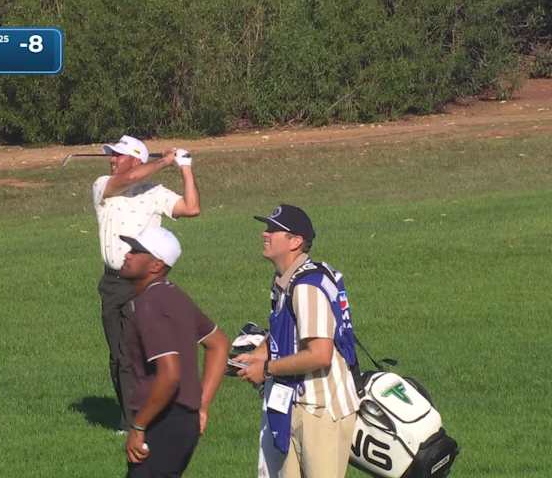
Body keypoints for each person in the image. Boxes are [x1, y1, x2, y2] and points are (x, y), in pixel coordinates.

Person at [236, 204, 360, 478]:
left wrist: (266, 369)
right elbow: (286, 330)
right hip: (293, 404)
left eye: (273, 230)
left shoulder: (306, 286)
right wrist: (257, 353)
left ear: (295, 241)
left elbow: (319, 354)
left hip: (321, 412)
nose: (264, 234)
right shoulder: (285, 278)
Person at [92, 135, 200, 432]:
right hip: (114, 283)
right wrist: (165, 160)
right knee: (120, 354)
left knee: (148, 350)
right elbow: (129, 178)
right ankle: (130, 421)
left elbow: (191, 208)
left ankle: (156, 413)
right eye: (112, 155)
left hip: (146, 283)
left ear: (136, 159)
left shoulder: (155, 192)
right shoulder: (103, 186)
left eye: (118, 156)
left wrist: (185, 167)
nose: (112, 160)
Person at [117, 226, 229, 477]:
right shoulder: (175, 295)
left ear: (156, 265)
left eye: (136, 251)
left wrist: (138, 425)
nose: (128, 255)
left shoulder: (150, 303)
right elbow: (219, 343)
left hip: (162, 420)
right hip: (182, 421)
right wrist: (202, 405)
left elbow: (169, 374)